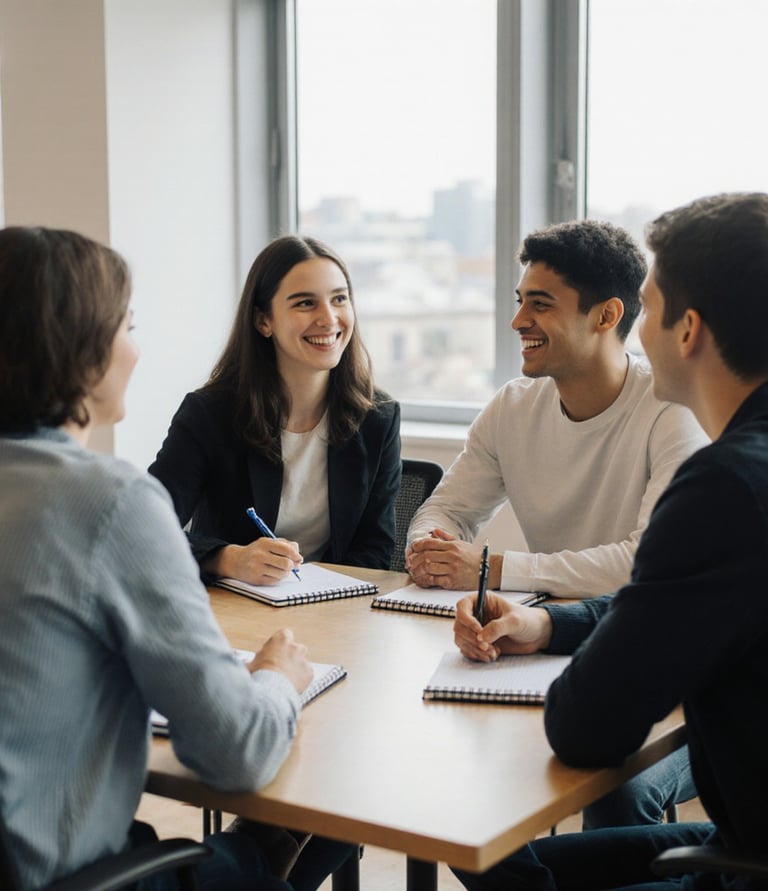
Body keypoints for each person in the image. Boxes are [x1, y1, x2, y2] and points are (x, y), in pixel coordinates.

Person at [0, 226, 350, 890]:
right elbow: (237, 752)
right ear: (81, 348)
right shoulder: (106, 501)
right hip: (72, 873)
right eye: (128, 326)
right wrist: (276, 675)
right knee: (308, 813)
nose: (136, 348)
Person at [451, 192, 768, 891]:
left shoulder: (725, 486)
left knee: (476, 841)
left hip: (747, 868)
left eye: (648, 307)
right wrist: (548, 621)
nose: (638, 325)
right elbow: (680, 596)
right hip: (743, 834)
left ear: (689, 330)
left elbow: (587, 728)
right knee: (489, 850)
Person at [407, 219, 708, 830]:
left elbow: (640, 563)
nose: (518, 321)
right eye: (520, 302)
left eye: (539, 305)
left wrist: (490, 567)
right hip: (543, 644)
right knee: (448, 777)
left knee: (614, 790)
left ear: (606, 316)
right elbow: (445, 510)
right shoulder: (513, 407)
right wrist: (431, 548)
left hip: (671, 675)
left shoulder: (671, 410)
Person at [149, 234, 401, 586]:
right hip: (233, 608)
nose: (329, 319)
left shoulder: (378, 418)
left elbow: (373, 551)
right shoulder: (209, 414)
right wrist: (229, 559)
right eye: (304, 304)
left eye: (339, 299)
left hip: (332, 612)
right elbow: (145, 528)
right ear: (263, 321)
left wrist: (321, 595)